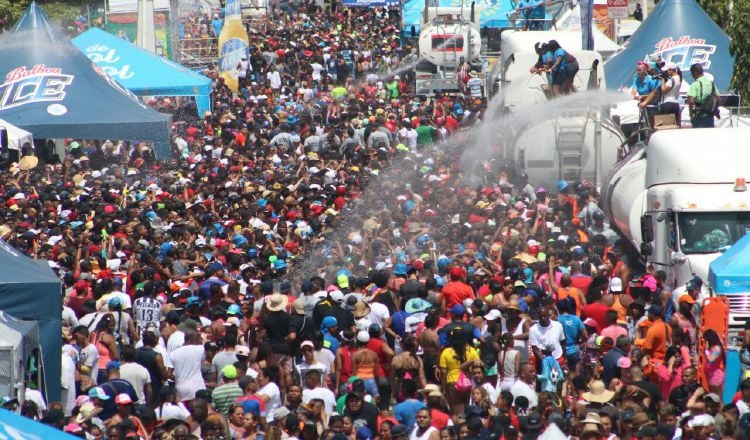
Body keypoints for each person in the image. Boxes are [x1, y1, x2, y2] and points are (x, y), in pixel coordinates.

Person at [687, 63, 717, 128]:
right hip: (710, 116)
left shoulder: (695, 84)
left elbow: (691, 101)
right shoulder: (711, 84)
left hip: (699, 116)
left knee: (698, 137)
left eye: (692, 74)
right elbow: (718, 98)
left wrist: (691, 115)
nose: (692, 76)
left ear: (695, 73)